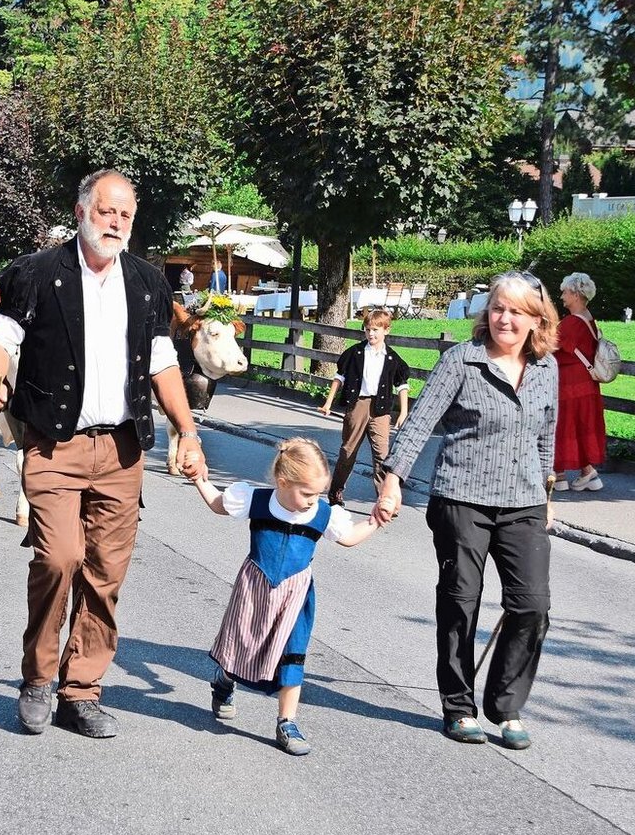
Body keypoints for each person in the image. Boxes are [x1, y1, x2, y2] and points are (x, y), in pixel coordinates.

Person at [0, 168, 207, 739]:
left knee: (106, 572)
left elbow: (161, 363)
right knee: (58, 558)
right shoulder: (35, 274)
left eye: (126, 214)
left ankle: (81, 691)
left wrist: (187, 429)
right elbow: (0, 341)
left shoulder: (149, 284)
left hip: (123, 450)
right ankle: (37, 679)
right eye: (108, 211)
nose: (117, 223)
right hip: (56, 443)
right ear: (82, 212)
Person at [374, 271, 559, 751]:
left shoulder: (546, 369)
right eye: (498, 307)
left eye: (517, 311)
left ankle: (506, 704)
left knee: (532, 605)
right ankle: (458, 705)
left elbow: (545, 437)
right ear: (487, 312)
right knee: (461, 599)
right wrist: (392, 481)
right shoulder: (463, 360)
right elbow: (419, 424)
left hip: (523, 503)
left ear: (537, 320)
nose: (505, 318)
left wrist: (547, 493)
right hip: (462, 498)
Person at [193, 438, 379, 756]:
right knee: (243, 644)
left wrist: (375, 520)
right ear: (283, 482)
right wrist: (200, 478)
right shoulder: (256, 500)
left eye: (318, 494)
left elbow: (348, 538)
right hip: (256, 587)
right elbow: (217, 504)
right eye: (306, 493)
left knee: (293, 653)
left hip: (296, 595)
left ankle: (287, 722)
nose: (312, 501)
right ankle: (225, 680)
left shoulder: (322, 514)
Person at [319, 308, 412, 506]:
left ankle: (385, 500)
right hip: (358, 405)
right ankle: (335, 493)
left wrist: (403, 412)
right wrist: (328, 403)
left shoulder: (392, 358)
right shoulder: (355, 353)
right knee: (348, 451)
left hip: (381, 409)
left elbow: (402, 385)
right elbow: (339, 378)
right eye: (368, 329)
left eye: (376, 330)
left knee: (382, 455)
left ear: (386, 330)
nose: (371, 333)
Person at [553, 272, 607, 491]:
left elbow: (548, 346)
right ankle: (587, 472)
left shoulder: (571, 323)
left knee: (562, 423)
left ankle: (559, 474)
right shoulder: (589, 319)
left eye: (565, 292)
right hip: (586, 382)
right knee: (581, 425)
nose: (562, 296)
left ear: (575, 294)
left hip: (569, 382)